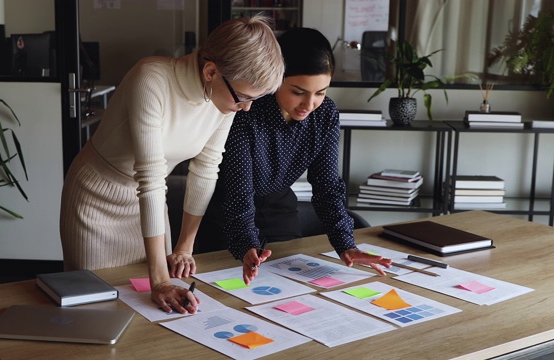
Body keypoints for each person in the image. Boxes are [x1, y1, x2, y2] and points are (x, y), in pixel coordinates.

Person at [59, 15, 285, 314]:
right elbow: (150, 177)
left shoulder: (225, 96)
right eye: (244, 97)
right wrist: (160, 280)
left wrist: (183, 247)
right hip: (98, 198)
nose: (246, 107)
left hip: (152, 200)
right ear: (211, 71)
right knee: (97, 308)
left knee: (151, 313)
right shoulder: (151, 78)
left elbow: (206, 168)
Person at [196, 27, 392, 285]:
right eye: (298, 92)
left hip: (281, 212)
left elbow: (327, 186)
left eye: (320, 93)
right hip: (225, 215)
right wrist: (246, 245)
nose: (309, 104)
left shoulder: (325, 115)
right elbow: (238, 194)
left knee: (289, 287)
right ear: (276, 78)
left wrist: (345, 244)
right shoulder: (246, 111)